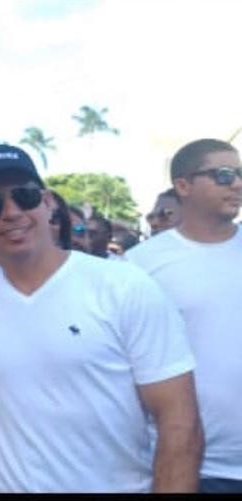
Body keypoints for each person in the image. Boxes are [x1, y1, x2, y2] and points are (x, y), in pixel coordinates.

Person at [0, 144, 202, 493]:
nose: (11, 212)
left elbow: (179, 421)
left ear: (46, 203)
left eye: (24, 197)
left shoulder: (123, 286)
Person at [127, 138, 242, 493]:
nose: (237, 183)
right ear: (183, 185)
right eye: (224, 175)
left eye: (240, 174)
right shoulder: (139, 266)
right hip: (186, 466)